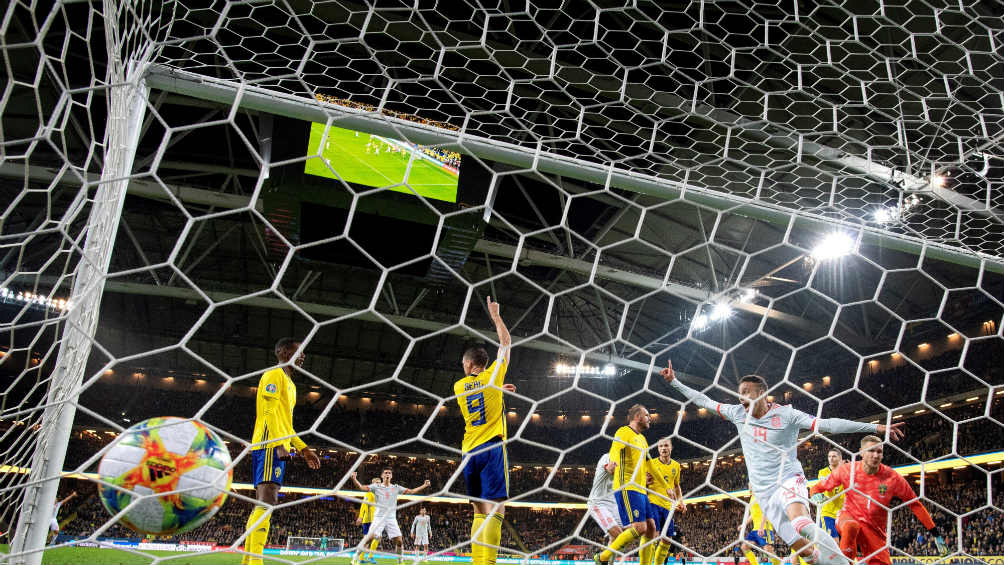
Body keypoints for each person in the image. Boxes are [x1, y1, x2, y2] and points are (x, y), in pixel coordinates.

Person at [661, 360, 902, 565]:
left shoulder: (787, 415)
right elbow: (703, 401)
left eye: (746, 391)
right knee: (805, 551)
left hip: (788, 479)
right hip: (764, 493)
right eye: (739, 391)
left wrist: (876, 427)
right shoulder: (737, 413)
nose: (741, 395)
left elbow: (827, 424)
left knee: (801, 522)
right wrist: (674, 382)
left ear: (763, 393)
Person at [242, 338, 321, 565]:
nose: (303, 356)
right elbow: (268, 411)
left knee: (264, 503)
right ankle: (255, 562)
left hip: (277, 443)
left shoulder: (291, 385)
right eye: (299, 351)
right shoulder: (273, 375)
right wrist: (278, 444)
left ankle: (248, 561)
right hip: (269, 444)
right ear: (284, 352)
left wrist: (303, 449)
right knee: (268, 499)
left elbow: (287, 424)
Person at [810, 435, 948, 565]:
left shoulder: (892, 478)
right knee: (851, 527)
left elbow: (915, 504)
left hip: (875, 529)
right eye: (871, 451)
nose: (875, 455)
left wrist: (935, 533)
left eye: (879, 451)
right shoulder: (847, 471)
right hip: (848, 517)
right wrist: (815, 494)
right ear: (861, 452)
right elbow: (816, 488)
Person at [454, 296, 512, 565]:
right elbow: (506, 343)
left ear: (467, 365)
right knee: (496, 509)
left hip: (468, 452)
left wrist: (499, 389)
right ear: (484, 364)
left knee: (478, 511)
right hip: (491, 447)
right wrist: (496, 317)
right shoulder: (492, 376)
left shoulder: (458, 386)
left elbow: (479, 391)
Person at [594, 404, 672, 565]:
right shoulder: (623, 432)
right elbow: (615, 448)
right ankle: (602, 558)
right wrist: (612, 464)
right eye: (647, 415)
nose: (649, 418)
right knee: (640, 527)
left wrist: (666, 486)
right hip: (627, 487)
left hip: (641, 490)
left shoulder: (642, 440)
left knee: (652, 528)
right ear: (637, 417)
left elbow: (651, 464)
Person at [350, 469, 431, 565]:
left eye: (389, 473)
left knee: (399, 541)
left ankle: (400, 561)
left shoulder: (396, 487)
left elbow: (411, 491)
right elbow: (362, 488)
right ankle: (355, 558)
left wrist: (424, 485)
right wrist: (354, 479)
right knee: (370, 538)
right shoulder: (376, 487)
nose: (387, 474)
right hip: (379, 517)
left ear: (391, 476)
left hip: (391, 518)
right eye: (385, 473)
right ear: (382, 476)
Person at [647, 437, 685, 565]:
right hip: (653, 503)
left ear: (671, 447)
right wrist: (645, 482)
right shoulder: (650, 464)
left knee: (668, 539)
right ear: (658, 449)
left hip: (668, 507)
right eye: (661, 446)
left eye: (666, 445)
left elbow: (676, 486)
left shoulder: (676, 466)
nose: (663, 448)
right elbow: (640, 481)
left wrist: (681, 501)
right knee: (654, 534)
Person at [587, 453, 624, 543]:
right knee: (620, 536)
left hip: (614, 503)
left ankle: (606, 557)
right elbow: (611, 469)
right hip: (598, 503)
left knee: (627, 533)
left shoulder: (628, 460)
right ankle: (601, 557)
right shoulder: (608, 456)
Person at [740, 492, 778, 565]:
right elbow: (753, 515)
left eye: (751, 484)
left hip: (765, 527)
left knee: (768, 549)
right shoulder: (752, 498)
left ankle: (777, 563)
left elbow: (765, 511)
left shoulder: (761, 495)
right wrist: (743, 525)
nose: (749, 486)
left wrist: (761, 527)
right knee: (744, 547)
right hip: (755, 529)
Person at [816, 449, 846, 540]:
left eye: (834, 456)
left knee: (845, 543)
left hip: (842, 513)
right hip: (827, 512)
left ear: (840, 458)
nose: (831, 459)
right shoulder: (823, 472)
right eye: (829, 456)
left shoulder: (846, 471)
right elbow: (827, 486)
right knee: (833, 542)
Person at [355, 477, 381, 563]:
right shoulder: (370, 493)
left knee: (372, 539)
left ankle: (362, 558)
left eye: (380, 482)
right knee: (373, 539)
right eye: (376, 482)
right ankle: (367, 557)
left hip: (375, 519)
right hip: (370, 520)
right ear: (372, 484)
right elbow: (364, 505)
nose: (378, 484)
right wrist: (360, 516)